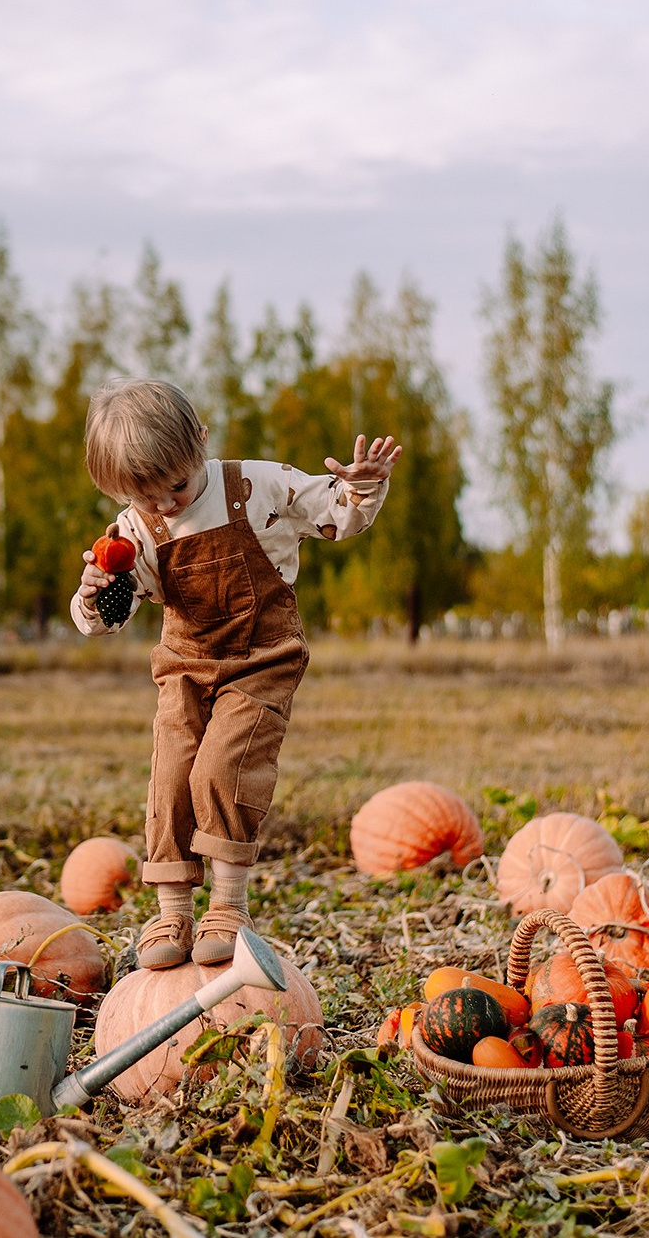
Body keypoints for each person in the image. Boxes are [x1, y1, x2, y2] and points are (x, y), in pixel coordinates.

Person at [71, 377, 402, 969]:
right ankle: (172, 909)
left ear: (200, 442)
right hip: (185, 665)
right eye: (147, 498)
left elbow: (335, 516)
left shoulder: (258, 484)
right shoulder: (134, 532)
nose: (167, 505)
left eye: (176, 486)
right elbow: (109, 614)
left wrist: (361, 489)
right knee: (172, 772)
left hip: (262, 658)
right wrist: (96, 595)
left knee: (223, 767)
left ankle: (228, 904)